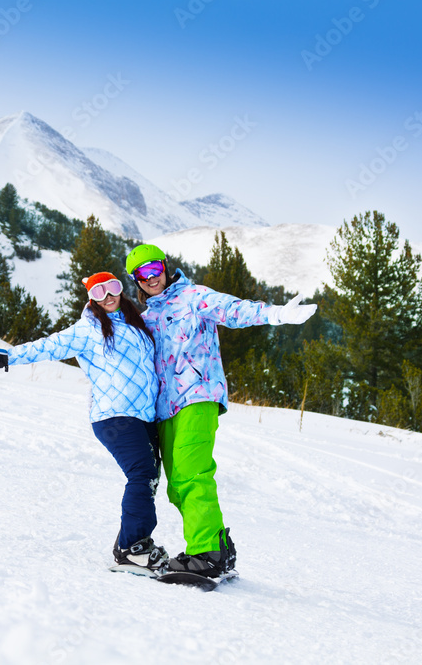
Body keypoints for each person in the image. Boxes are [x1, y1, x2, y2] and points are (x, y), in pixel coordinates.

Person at [124, 244, 317, 578]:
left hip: (197, 396)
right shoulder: (146, 318)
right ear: (136, 280)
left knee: (192, 474)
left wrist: (276, 314)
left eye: (155, 268)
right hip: (163, 410)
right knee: (176, 485)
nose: (151, 277)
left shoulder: (193, 296)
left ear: (166, 267)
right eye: (142, 273)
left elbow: (232, 310)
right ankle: (217, 547)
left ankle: (207, 553)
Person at [0, 271, 168, 574]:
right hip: (114, 415)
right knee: (141, 474)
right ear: (91, 297)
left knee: (150, 478)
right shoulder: (88, 329)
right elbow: (48, 346)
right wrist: (10, 356)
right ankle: (131, 549)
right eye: (99, 292)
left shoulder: (136, 323)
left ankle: (132, 543)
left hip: (144, 416)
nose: (108, 296)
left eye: (113, 288)